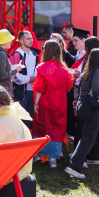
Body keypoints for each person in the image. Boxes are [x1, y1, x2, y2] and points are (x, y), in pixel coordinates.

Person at [66, 48, 99, 179]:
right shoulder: (96, 70)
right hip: (90, 108)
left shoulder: (85, 72)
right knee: (88, 138)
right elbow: (95, 88)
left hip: (82, 107)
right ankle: (73, 166)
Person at [32, 39, 73, 168]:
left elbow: (39, 88)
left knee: (40, 126)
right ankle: (53, 159)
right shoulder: (64, 69)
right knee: (57, 128)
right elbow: (69, 86)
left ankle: (37, 154)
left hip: (45, 101)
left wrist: (36, 104)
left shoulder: (42, 67)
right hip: (60, 102)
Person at [11, 30, 40, 118]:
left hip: (33, 91)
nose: (31, 40)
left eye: (31, 38)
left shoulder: (34, 55)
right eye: (28, 39)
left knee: (29, 119)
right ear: (21, 41)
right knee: (19, 120)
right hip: (20, 93)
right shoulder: (16, 55)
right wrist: (29, 79)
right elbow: (13, 75)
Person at [0, 29, 22, 97]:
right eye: (9, 40)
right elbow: (1, 75)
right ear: (4, 41)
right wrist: (16, 70)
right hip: (3, 92)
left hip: (3, 91)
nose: (11, 41)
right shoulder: (0, 54)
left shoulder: (0, 52)